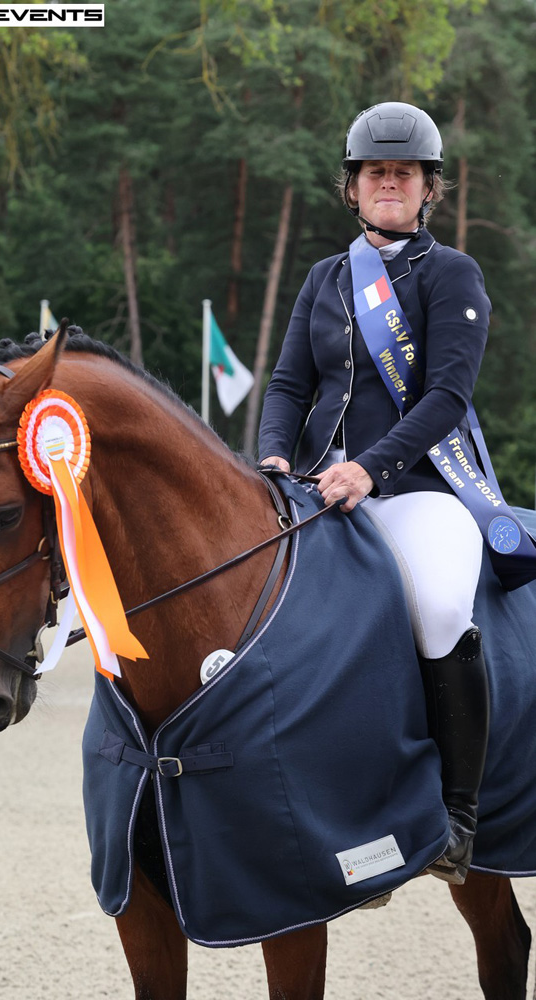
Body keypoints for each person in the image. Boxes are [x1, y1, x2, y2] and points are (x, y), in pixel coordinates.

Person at [258, 101, 492, 885]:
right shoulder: (325, 278)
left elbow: (447, 397)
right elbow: (289, 384)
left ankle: (457, 816)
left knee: (440, 610)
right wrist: (272, 454)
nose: (389, 182)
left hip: (419, 487)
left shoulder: (452, 274)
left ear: (429, 188)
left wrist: (371, 468)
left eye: (405, 173)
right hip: (316, 486)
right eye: (375, 172)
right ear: (352, 187)